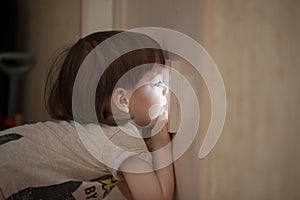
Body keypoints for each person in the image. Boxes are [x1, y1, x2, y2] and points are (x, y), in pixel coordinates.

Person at [0, 31, 174, 200]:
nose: (167, 90)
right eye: (157, 83)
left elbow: (131, 191)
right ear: (122, 99)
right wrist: (161, 145)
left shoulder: (100, 134)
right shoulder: (120, 136)